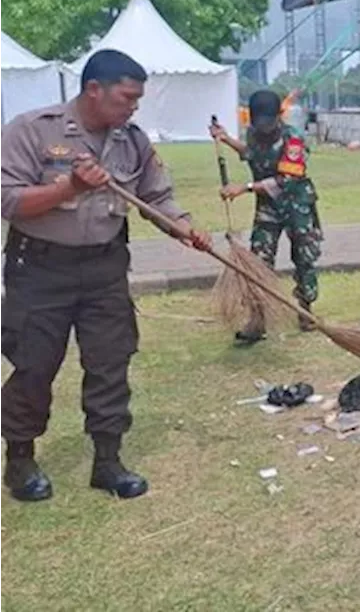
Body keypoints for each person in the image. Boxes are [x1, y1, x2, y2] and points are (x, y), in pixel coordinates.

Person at [0, 49, 213, 503]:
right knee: (34, 365)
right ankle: (19, 461)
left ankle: (108, 460)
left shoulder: (131, 139)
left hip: (104, 268)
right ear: (93, 89)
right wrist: (70, 187)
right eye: (127, 97)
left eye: (137, 99)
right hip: (40, 269)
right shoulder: (32, 130)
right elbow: (10, 202)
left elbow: (157, 195)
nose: (133, 107)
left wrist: (185, 226)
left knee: (110, 363)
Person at [212, 89, 323, 344]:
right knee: (258, 261)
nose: (262, 128)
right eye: (257, 122)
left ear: (278, 117)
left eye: (267, 123)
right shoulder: (253, 134)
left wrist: (244, 188)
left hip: (297, 205)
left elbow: (286, 179)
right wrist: (225, 138)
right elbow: (251, 153)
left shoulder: (293, 139)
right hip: (268, 207)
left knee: (304, 258)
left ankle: (306, 310)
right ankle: (258, 317)